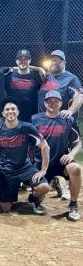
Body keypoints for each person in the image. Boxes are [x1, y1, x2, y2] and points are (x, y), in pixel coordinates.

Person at [0, 97, 50, 214]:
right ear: (3, 113)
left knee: (44, 187)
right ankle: (5, 198)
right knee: (5, 209)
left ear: (18, 112)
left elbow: (45, 146)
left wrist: (43, 169)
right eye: (7, 109)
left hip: (25, 168)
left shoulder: (27, 128)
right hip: (6, 171)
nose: (10, 111)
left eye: (13, 109)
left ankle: (33, 200)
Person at [32, 90, 82, 221]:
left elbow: (78, 143)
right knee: (39, 192)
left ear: (61, 103)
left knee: (75, 169)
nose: (52, 103)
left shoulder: (68, 120)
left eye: (56, 101)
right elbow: (29, 143)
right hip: (41, 163)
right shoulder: (35, 119)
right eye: (49, 101)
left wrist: (71, 154)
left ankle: (73, 204)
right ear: (45, 103)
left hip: (61, 161)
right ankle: (36, 199)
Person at [5, 49, 45, 122]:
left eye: (25, 59)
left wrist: (38, 68)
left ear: (29, 60)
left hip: (31, 115)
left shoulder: (37, 75)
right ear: (16, 61)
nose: (23, 61)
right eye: (20, 59)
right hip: (13, 115)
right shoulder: (8, 75)